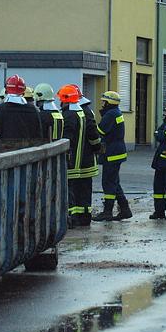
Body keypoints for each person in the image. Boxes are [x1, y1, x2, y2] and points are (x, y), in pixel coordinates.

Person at [60, 84, 100, 227]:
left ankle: (76, 218)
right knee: (84, 190)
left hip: (78, 161)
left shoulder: (75, 113)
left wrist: (97, 147)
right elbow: (94, 136)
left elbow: (89, 135)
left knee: (76, 190)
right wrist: (98, 147)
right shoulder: (84, 112)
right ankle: (84, 217)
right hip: (85, 160)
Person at [92, 91, 132, 222]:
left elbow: (100, 131)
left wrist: (90, 126)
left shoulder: (110, 114)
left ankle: (107, 212)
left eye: (104, 101)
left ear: (109, 102)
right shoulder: (116, 112)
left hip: (112, 153)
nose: (102, 103)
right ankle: (125, 209)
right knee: (114, 182)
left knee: (108, 182)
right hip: (117, 151)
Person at [0, 75, 43, 140]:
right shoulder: (33, 110)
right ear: (23, 90)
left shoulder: (1, 109)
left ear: (7, 90)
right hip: (28, 149)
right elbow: (38, 135)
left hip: (6, 149)